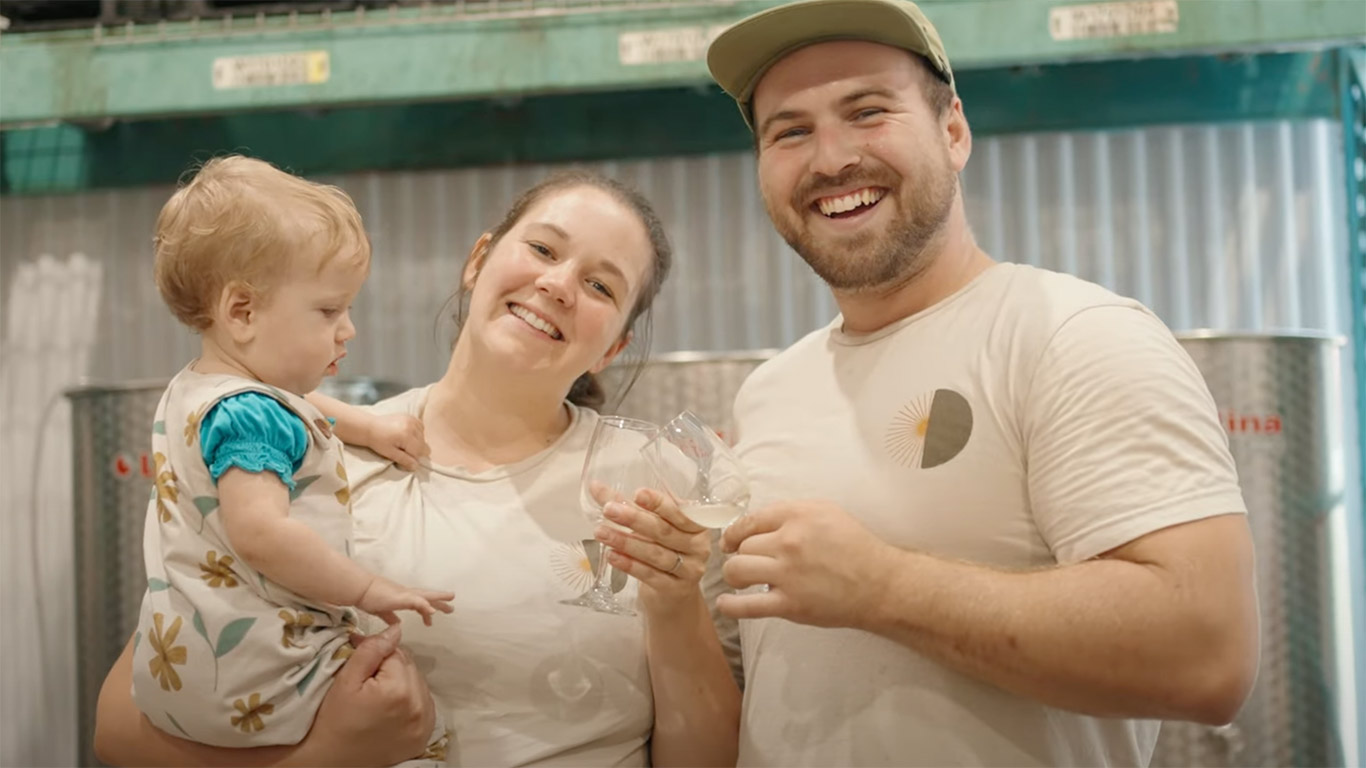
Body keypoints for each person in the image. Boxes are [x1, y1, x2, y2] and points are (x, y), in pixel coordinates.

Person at [703, 1, 1259, 765]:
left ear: (953, 132)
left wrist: (883, 588)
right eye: (790, 131)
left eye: (867, 111)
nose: (830, 159)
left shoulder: (1071, 334)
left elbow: (1209, 653)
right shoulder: (767, 391)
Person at [93, 170, 742, 766]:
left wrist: (675, 600)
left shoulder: (655, 490)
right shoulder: (311, 453)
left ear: (615, 346)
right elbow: (120, 727)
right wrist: (323, 756)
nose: (558, 285)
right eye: (543, 250)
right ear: (477, 261)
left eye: (601, 285)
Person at [129, 155, 453, 759]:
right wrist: (368, 588)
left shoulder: (200, 386)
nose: (348, 329)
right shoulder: (252, 414)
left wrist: (366, 425)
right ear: (242, 312)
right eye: (330, 311)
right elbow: (262, 533)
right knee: (417, 723)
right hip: (256, 678)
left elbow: (297, 405)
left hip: (172, 676)